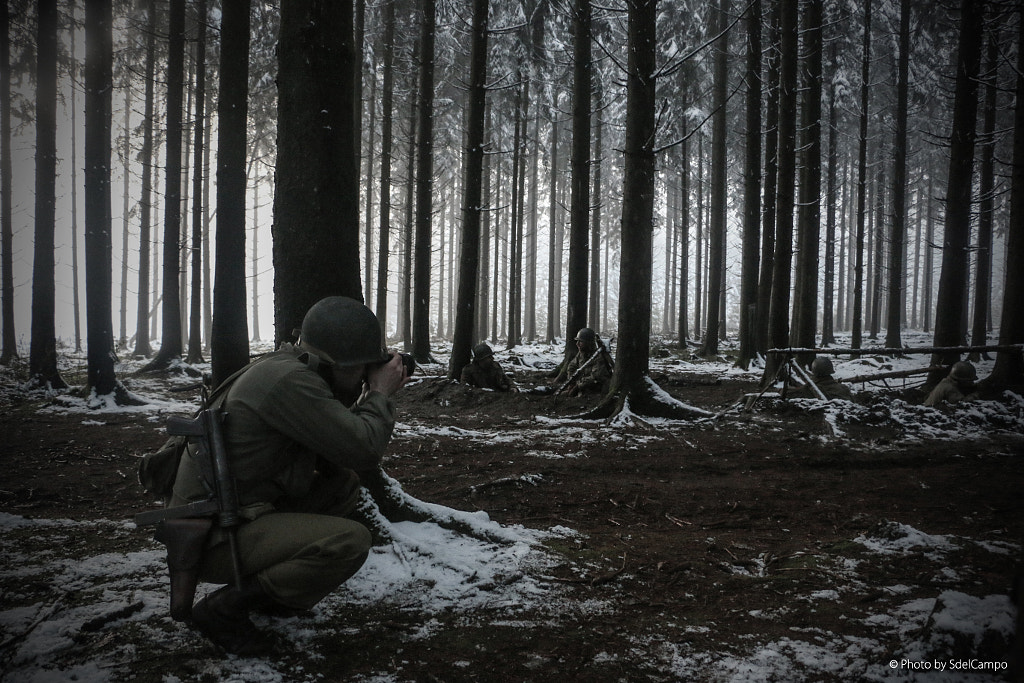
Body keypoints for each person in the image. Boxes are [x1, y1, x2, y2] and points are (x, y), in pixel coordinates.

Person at [169, 296, 408, 655]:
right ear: (334, 363)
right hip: (212, 540)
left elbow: (339, 442)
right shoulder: (290, 382)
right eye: (360, 367)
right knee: (350, 542)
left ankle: (272, 595)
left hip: (227, 517)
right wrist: (379, 393)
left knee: (340, 488)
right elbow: (363, 449)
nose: (363, 376)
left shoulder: (288, 369)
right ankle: (224, 609)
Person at [561, 327, 613, 396]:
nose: (577, 344)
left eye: (580, 341)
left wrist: (577, 386)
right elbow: (572, 366)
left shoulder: (599, 356)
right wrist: (572, 383)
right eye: (577, 341)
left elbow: (595, 377)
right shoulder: (582, 353)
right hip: (583, 386)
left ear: (588, 343)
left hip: (596, 390)